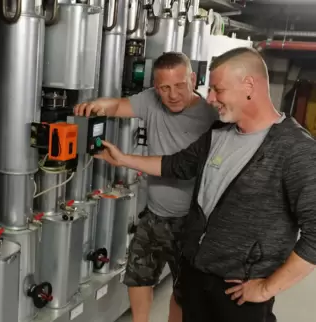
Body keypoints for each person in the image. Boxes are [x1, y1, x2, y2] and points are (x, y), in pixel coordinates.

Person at [94, 46, 316, 322]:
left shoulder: (295, 149)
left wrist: (267, 288)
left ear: (249, 85)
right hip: (196, 276)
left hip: (238, 293)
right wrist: (123, 159)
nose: (209, 98)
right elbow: (175, 165)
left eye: (217, 90)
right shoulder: (219, 134)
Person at [74, 52, 218, 322]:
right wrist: (95, 106)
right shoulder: (151, 100)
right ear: (156, 87)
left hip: (193, 221)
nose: (172, 94)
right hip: (155, 214)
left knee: (183, 290)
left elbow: (178, 165)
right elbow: (116, 106)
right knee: (138, 276)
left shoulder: (211, 116)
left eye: (179, 86)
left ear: (193, 79)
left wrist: (124, 159)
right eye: (164, 88)